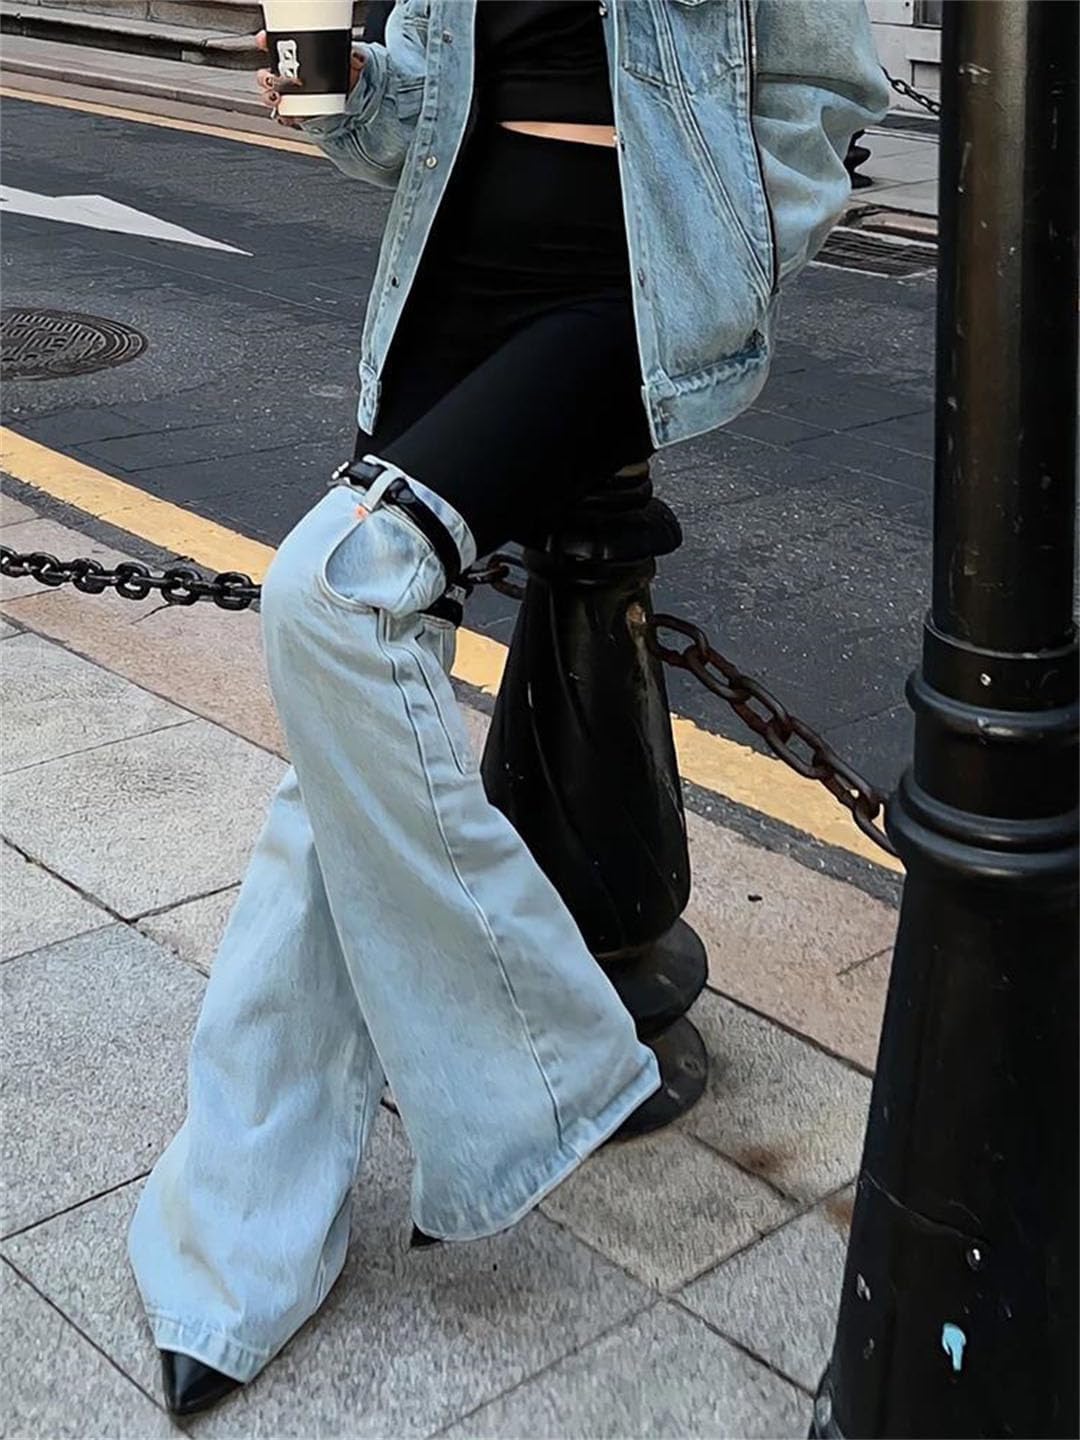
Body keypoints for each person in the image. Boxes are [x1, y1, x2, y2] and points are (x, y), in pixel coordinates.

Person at [128, 0, 888, 1416]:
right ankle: (234, 1243)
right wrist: (348, 96)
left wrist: (724, 273)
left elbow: (825, 95)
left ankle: (542, 1065)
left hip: (613, 293)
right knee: (341, 759)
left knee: (330, 594)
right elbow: (430, 100)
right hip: (446, 278)